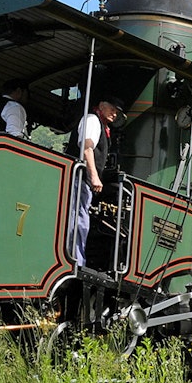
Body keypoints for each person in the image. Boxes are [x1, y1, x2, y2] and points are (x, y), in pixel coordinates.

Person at [68, 97, 124, 267]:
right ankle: (76, 260)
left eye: (117, 111)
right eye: (112, 108)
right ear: (101, 105)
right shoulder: (92, 120)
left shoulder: (102, 126)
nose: (114, 113)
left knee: (82, 219)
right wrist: (94, 176)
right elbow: (86, 147)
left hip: (83, 180)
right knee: (79, 220)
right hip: (79, 178)